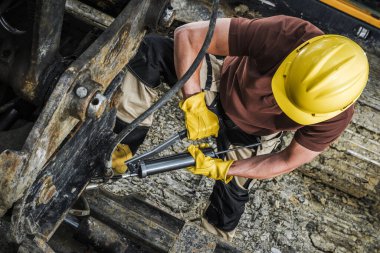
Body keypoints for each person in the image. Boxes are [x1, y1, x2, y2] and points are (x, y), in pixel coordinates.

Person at [111, 15, 369, 241]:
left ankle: (209, 241)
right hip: (222, 86)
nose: (279, 103)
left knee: (231, 200)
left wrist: (225, 168)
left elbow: (286, 160)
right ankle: (114, 149)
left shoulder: (335, 116)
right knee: (150, 52)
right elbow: (188, 35)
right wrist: (194, 102)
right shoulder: (284, 34)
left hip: (254, 135)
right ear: (294, 60)